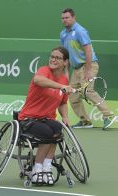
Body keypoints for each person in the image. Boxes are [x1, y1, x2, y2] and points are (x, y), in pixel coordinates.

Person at [18, 46, 73, 186]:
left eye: (57, 58)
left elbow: (62, 103)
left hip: (46, 119)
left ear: (65, 62)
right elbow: (38, 80)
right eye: (52, 56)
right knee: (47, 133)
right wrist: (60, 86)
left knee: (57, 128)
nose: (53, 59)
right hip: (28, 119)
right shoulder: (44, 70)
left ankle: (46, 167)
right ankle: (37, 170)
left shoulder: (64, 80)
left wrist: (65, 117)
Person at [60, 8, 115, 130]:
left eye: (67, 17)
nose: (64, 20)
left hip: (88, 65)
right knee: (72, 96)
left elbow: (88, 50)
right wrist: (66, 72)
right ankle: (85, 121)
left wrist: (88, 70)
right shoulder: (63, 34)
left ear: (73, 18)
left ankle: (108, 116)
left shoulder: (80, 31)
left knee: (87, 91)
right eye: (63, 18)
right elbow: (66, 55)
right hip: (76, 69)